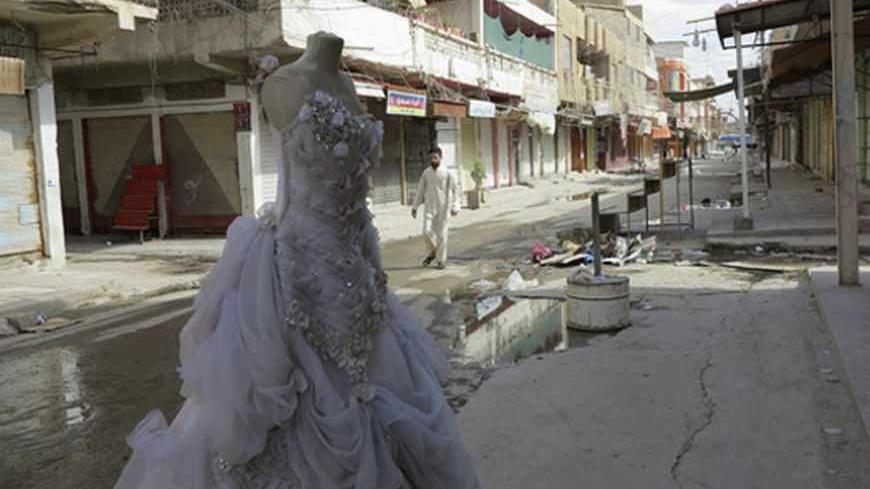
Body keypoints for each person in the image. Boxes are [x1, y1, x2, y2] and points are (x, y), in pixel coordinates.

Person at [114, 32, 481, 489]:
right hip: (299, 265)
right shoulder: (284, 83)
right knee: (300, 390)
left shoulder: (346, 84)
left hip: (359, 270)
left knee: (376, 384)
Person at [411, 147, 460, 269]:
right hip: (429, 207)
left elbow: (456, 190)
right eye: (431, 158)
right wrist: (415, 206)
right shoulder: (426, 173)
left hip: (443, 208)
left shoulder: (447, 173)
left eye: (435, 158)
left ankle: (441, 260)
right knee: (426, 231)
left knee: (442, 236)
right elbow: (420, 190)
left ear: (440, 158)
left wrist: (455, 206)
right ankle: (432, 252)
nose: (433, 160)